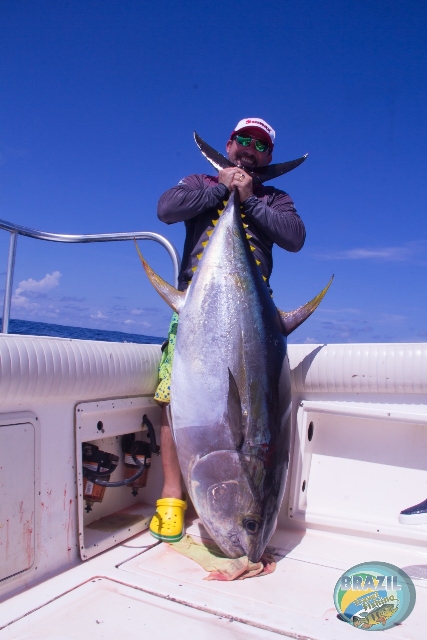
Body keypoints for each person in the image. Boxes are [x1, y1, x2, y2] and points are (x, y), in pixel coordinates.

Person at [149, 118, 306, 542]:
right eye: (243, 141)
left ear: (269, 155)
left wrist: (249, 198)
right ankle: (171, 499)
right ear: (229, 144)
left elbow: (294, 238)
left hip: (254, 317)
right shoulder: (200, 180)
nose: (249, 150)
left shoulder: (277, 198)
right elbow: (167, 209)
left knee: (261, 411)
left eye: (260, 145)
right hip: (197, 309)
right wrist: (220, 188)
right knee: (173, 398)